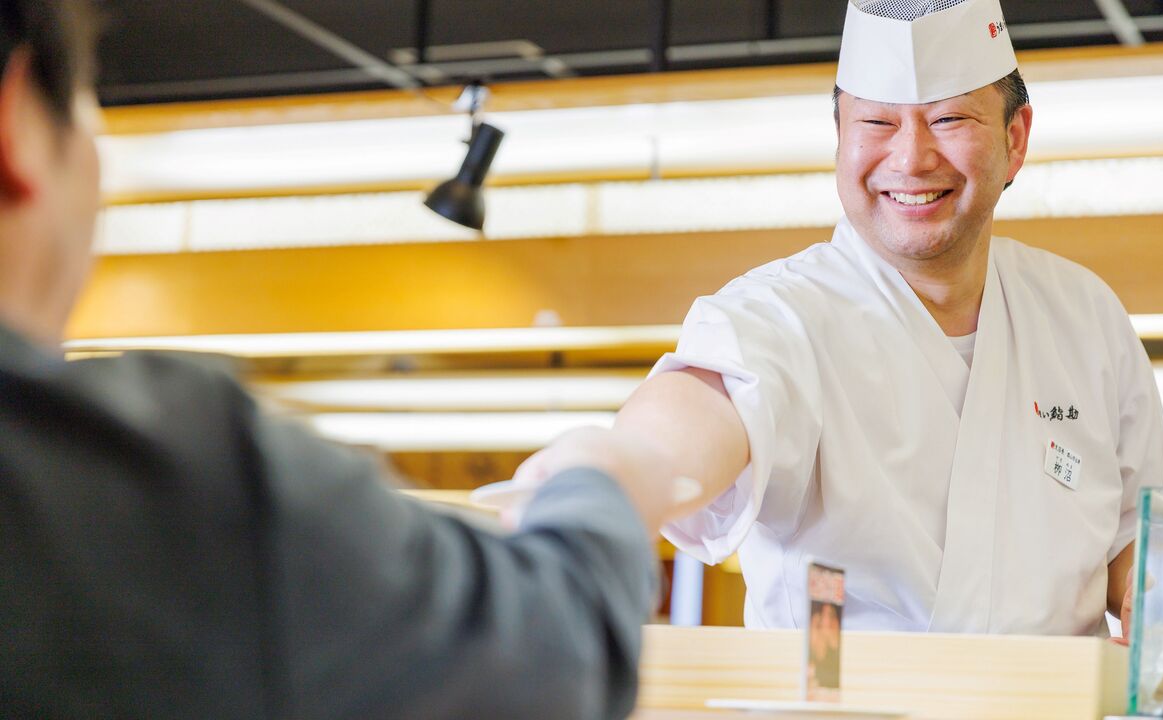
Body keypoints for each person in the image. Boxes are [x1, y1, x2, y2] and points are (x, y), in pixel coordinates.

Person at [0, 2, 690, 717]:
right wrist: (600, 483)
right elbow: (551, 659)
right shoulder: (158, 474)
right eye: (88, 115)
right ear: (20, 128)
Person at [520, 0, 1163, 639]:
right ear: (840, 138)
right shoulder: (783, 312)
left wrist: (1159, 594)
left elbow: (1132, 535)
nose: (911, 159)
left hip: (1062, 698)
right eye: (877, 123)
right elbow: (707, 402)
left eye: (948, 119)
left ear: (1015, 137)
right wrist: (621, 467)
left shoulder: (1085, 316)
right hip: (836, 695)